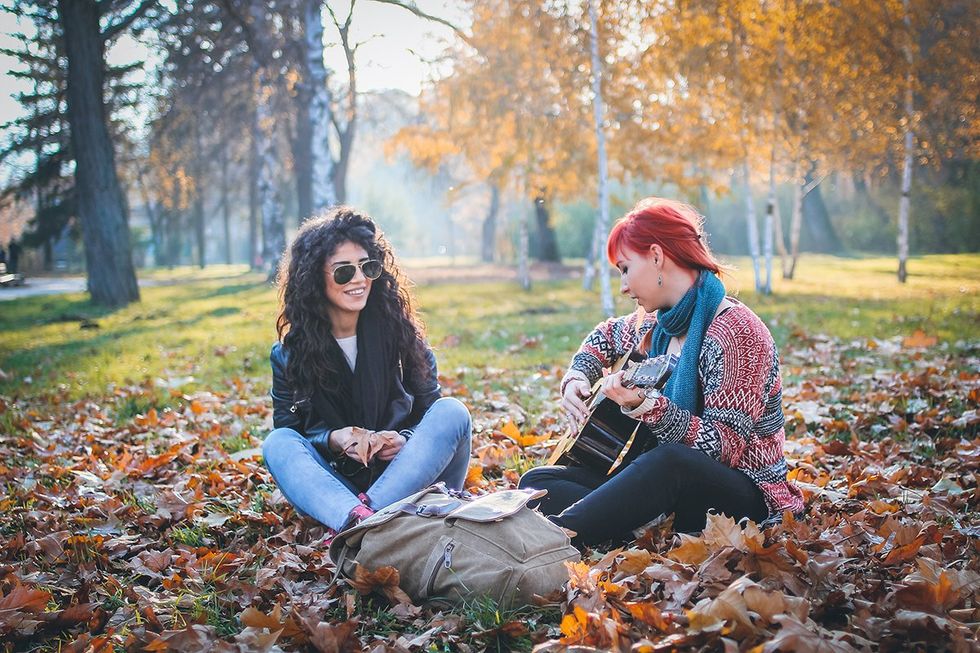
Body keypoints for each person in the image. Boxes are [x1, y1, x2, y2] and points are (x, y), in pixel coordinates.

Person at [519, 197, 804, 545]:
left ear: (656, 256)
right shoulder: (657, 323)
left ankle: (547, 541)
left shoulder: (737, 334)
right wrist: (578, 377)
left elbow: (725, 449)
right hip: (666, 487)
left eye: (625, 269)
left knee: (669, 461)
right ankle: (629, 529)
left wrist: (648, 407)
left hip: (744, 499)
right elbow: (605, 336)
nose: (623, 286)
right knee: (538, 483)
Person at [263, 207, 472, 538]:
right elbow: (294, 435)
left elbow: (430, 415)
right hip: (337, 489)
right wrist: (335, 439)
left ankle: (363, 524)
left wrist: (403, 441)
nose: (359, 279)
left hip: (411, 479)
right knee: (278, 442)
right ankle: (361, 517)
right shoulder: (289, 355)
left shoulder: (402, 336)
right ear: (315, 277)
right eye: (344, 271)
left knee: (452, 412)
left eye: (368, 267)